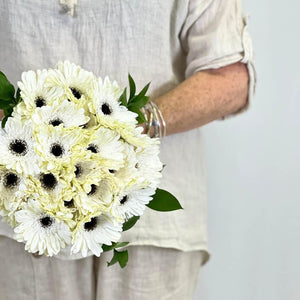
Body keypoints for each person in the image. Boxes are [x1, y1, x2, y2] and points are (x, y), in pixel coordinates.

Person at [0, 0, 256, 299]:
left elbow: (229, 79)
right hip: (19, 217)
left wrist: (126, 128)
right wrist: (26, 131)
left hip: (152, 224)